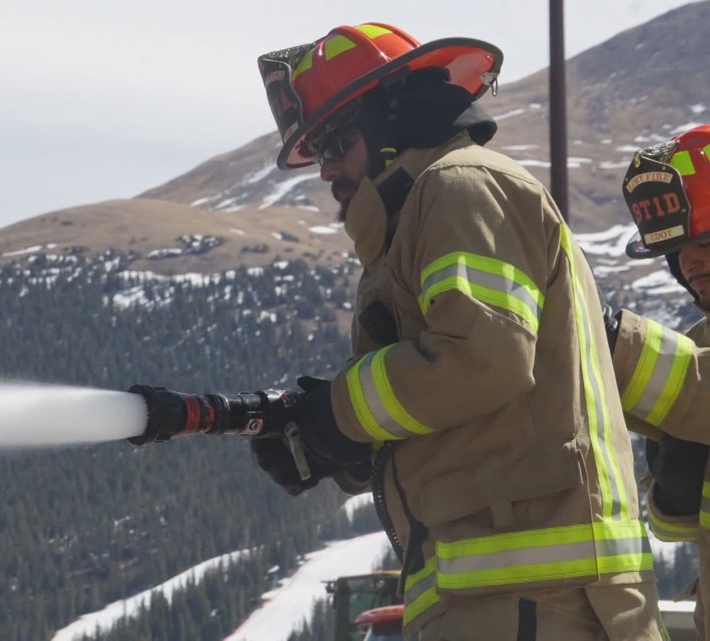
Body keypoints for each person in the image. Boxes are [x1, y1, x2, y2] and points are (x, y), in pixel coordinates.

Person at [248, 22, 663, 640]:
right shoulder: (411, 224)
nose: (326, 167)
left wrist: (337, 413)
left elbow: (481, 360)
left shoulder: (460, 186)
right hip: (499, 601)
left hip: (537, 602)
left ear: (393, 120)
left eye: (337, 139)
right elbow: (480, 417)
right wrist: (340, 443)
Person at [606, 124, 710, 640]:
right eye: (678, 251)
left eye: (706, 241)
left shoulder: (689, 364)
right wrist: (676, 475)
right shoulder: (698, 343)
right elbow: (674, 527)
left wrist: (615, 347)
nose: (692, 263)